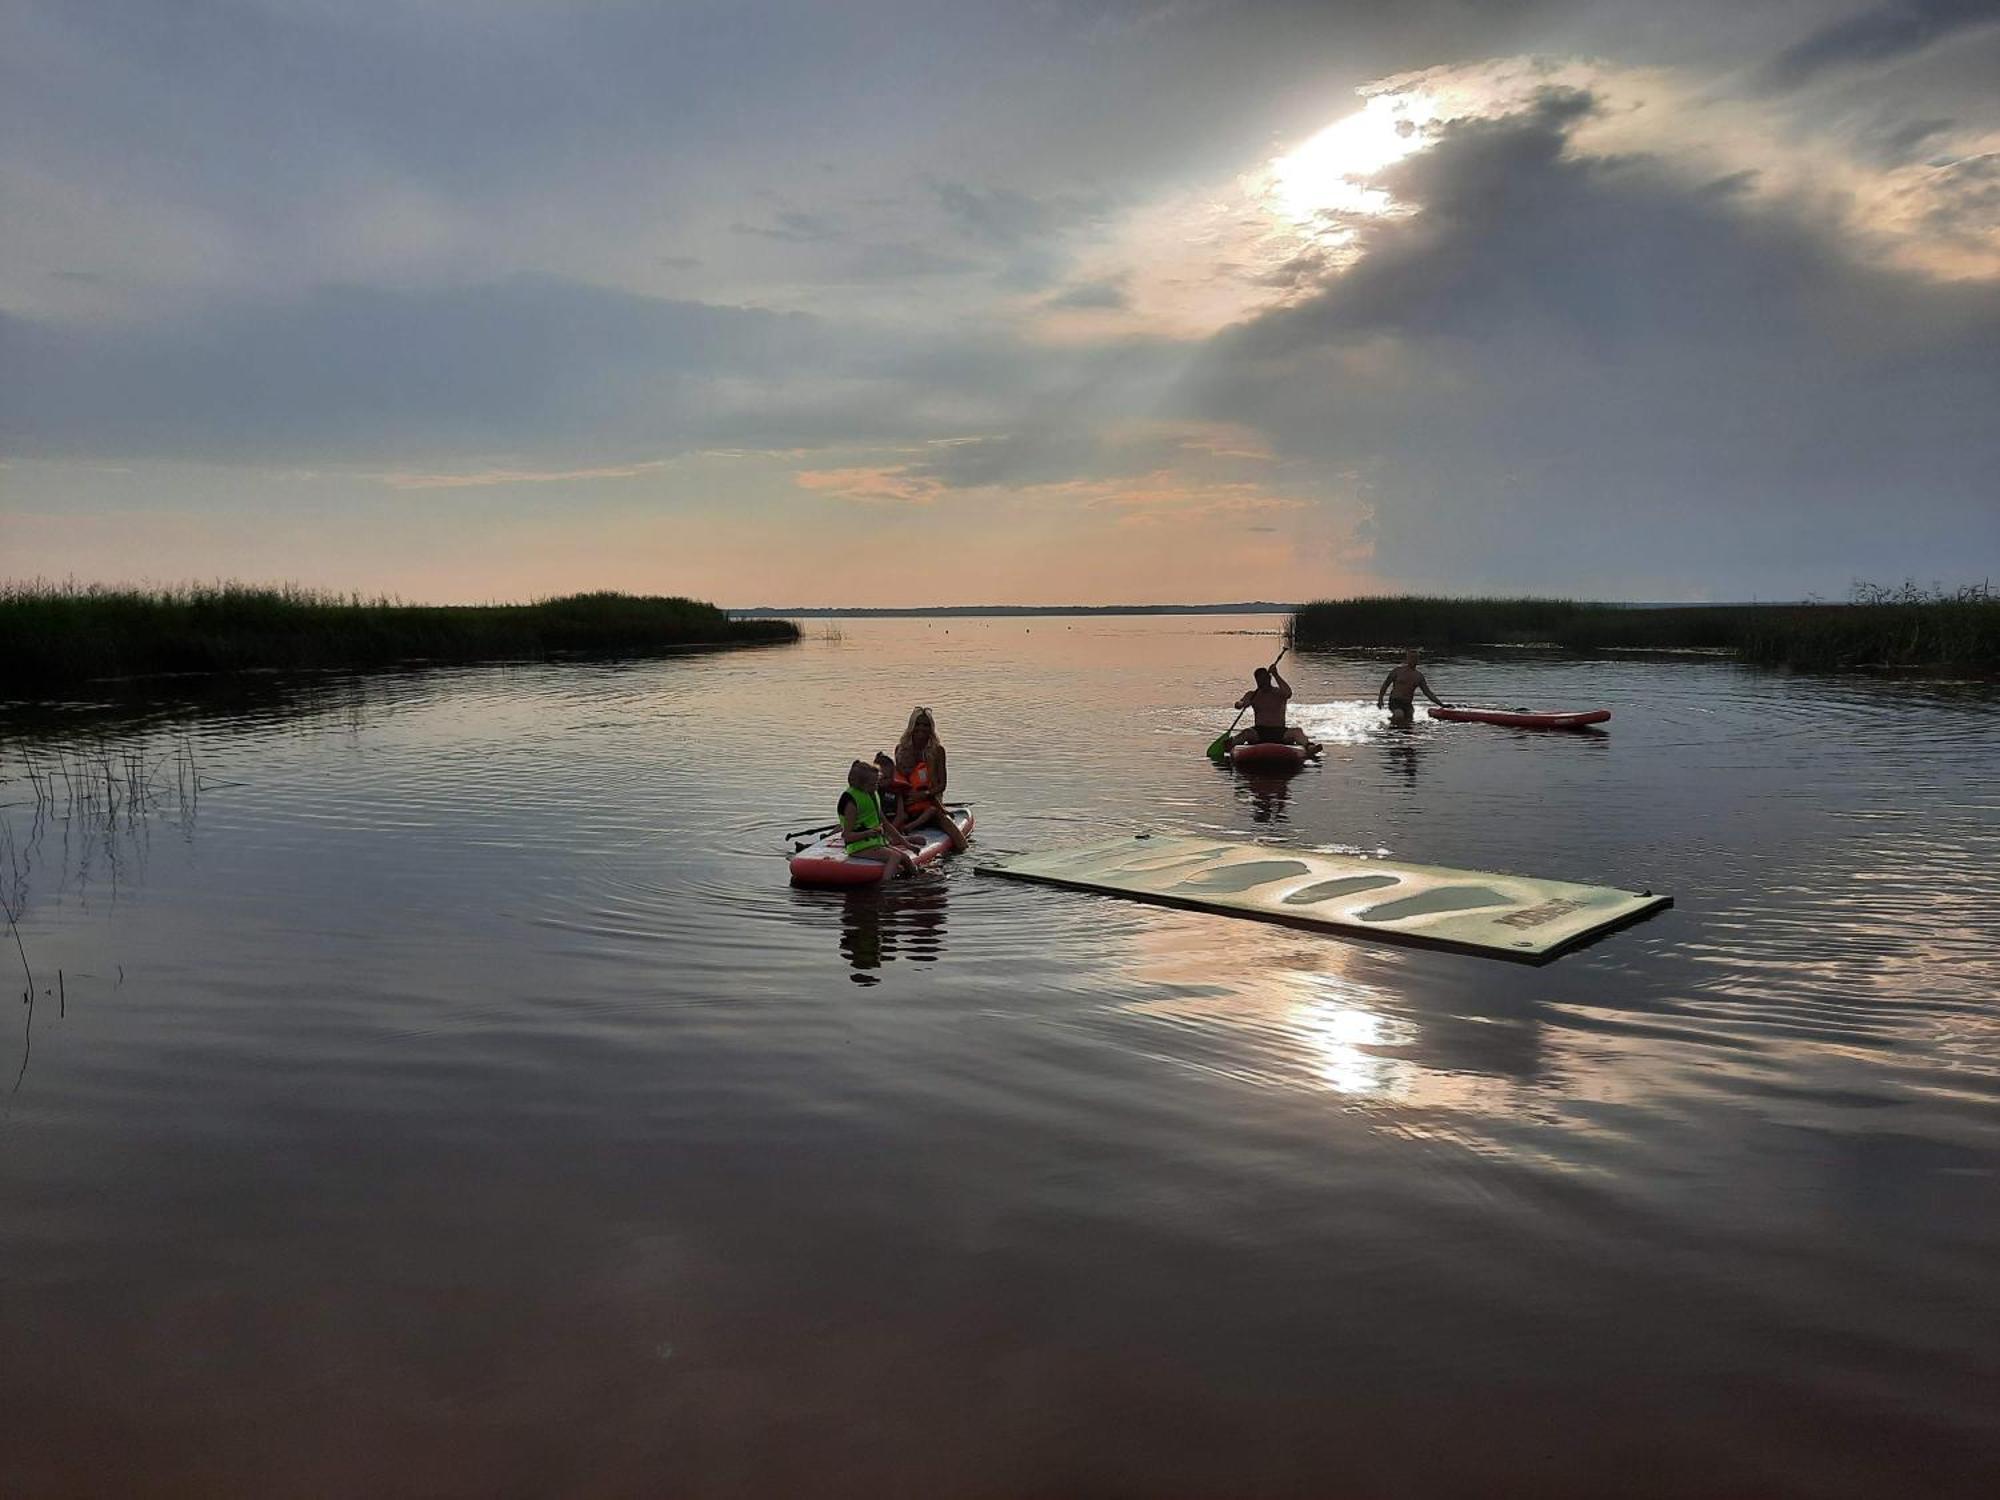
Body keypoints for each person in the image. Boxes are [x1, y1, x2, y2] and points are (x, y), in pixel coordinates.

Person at [895, 706, 969, 853]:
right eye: (919, 724)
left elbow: (942, 785)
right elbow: (897, 780)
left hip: (931, 802)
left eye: (926, 725)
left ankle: (963, 850)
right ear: (912, 726)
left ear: (931, 728)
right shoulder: (901, 749)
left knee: (957, 838)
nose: (922, 728)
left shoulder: (937, 751)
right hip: (906, 804)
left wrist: (925, 794)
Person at [837, 759, 919, 879]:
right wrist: (868, 833)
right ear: (859, 784)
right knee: (895, 857)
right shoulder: (851, 803)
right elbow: (846, 835)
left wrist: (907, 844)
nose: (876, 787)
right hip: (858, 846)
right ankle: (884, 887)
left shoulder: (872, 795)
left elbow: (885, 824)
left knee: (905, 858)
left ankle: (917, 881)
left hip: (875, 843)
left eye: (877, 783)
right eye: (872, 785)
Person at [1230, 664, 1321, 755]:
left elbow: (1288, 693)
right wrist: (1241, 704)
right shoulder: (1252, 695)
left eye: (1264, 679)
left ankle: (1309, 747)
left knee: (1297, 731)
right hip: (1259, 731)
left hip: (1280, 731)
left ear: (1269, 679)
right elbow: (1239, 704)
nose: (1262, 682)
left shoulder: (1279, 692)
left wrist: (1276, 674)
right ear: (1257, 681)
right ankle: (1231, 745)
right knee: (1247, 732)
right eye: (1259, 680)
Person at [1378, 649, 1447, 722]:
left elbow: (1427, 693)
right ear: (1407, 659)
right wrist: (1380, 700)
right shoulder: (1397, 671)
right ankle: (1391, 725)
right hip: (1395, 701)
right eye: (1411, 658)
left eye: (1415, 658)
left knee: (1410, 720)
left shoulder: (1419, 676)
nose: (1413, 660)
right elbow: (1385, 685)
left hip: (1407, 703)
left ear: (1418, 660)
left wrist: (1441, 704)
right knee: (1399, 715)